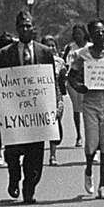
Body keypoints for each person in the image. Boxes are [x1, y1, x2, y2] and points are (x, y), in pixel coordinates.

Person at [0, 11, 57, 203]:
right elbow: (2, 84)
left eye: (28, 26)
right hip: (15, 113)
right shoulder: (5, 54)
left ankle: (29, 188)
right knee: (12, 153)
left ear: (33, 28)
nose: (25, 29)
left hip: (37, 114)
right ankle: (14, 178)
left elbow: (51, 81)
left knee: (35, 156)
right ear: (17, 29)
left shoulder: (45, 53)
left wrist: (55, 105)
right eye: (22, 26)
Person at [67, 19, 104, 198]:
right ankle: (89, 168)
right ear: (90, 35)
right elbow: (71, 77)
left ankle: (103, 185)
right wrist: (78, 87)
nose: (101, 34)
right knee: (91, 142)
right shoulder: (81, 54)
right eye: (97, 32)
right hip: (90, 101)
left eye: (103, 31)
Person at [42, 34, 69, 166]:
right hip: (40, 97)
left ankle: (53, 155)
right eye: (47, 45)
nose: (50, 47)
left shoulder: (60, 62)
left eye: (52, 45)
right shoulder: (37, 59)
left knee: (55, 124)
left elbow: (63, 80)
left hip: (56, 96)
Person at [63, 23, 89, 147]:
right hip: (73, 81)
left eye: (79, 33)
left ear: (84, 33)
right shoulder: (70, 47)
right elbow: (64, 62)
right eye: (75, 33)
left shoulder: (90, 46)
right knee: (76, 108)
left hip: (88, 81)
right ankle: (79, 134)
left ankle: (89, 134)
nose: (77, 36)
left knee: (87, 108)